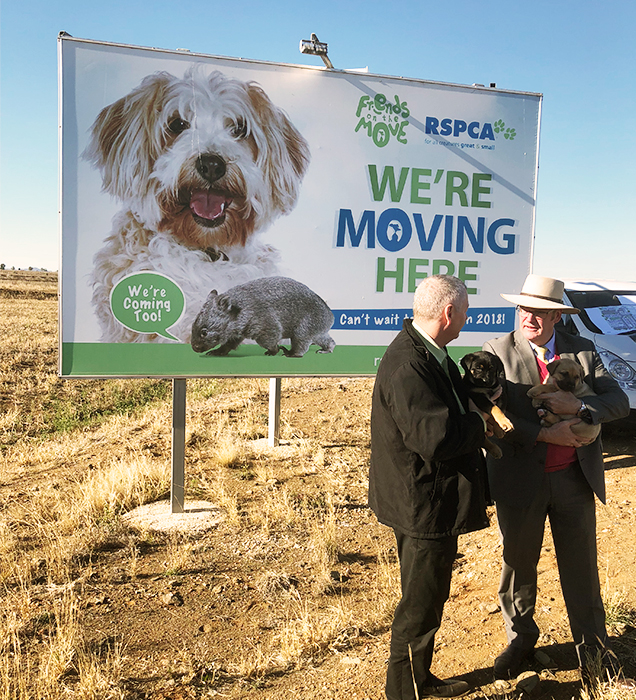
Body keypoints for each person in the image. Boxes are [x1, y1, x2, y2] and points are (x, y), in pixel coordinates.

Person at [483, 274, 630, 683]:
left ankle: (594, 655)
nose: (529, 317)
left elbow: (618, 401)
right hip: (519, 480)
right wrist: (547, 434)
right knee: (518, 567)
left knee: (581, 570)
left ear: (555, 316)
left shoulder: (583, 350)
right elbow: (493, 418)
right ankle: (520, 644)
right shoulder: (496, 351)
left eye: (539, 311)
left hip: (573, 480)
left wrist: (578, 407)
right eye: (524, 308)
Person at [369, 274, 491, 700]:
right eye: (466, 311)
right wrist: (480, 423)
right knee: (420, 605)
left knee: (428, 595)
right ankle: (405, 691)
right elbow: (434, 438)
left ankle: (419, 680)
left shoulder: (429, 353)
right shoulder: (409, 364)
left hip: (426, 497)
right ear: (449, 312)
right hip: (422, 503)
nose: (467, 318)